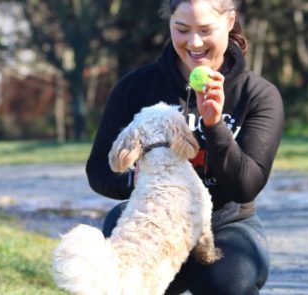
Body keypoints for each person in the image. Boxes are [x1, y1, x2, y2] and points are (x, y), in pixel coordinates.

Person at [86, 0, 284, 293]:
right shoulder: (135, 88)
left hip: (225, 226)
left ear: (230, 22)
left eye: (205, 30)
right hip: (154, 216)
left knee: (229, 283)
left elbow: (246, 186)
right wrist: (138, 181)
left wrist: (215, 126)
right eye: (182, 29)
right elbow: (99, 170)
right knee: (124, 269)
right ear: (169, 25)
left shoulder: (258, 96)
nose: (194, 42)